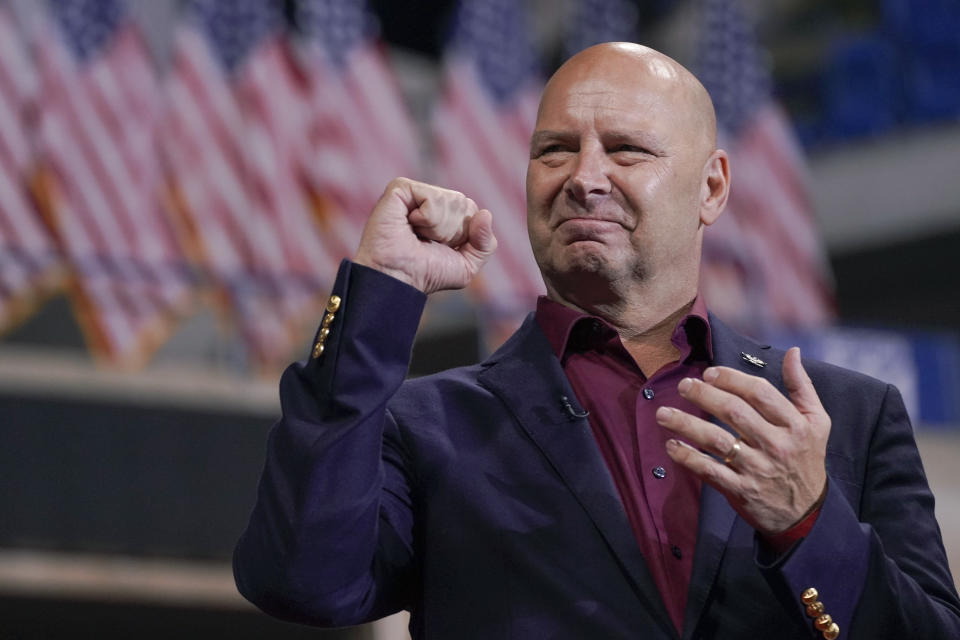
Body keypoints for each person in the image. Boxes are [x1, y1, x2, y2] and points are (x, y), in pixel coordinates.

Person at [233, 43, 960, 639]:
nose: (584, 178)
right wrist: (376, 298)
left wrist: (809, 522)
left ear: (711, 188)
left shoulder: (848, 418)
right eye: (554, 150)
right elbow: (300, 580)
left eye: (627, 149)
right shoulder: (425, 427)